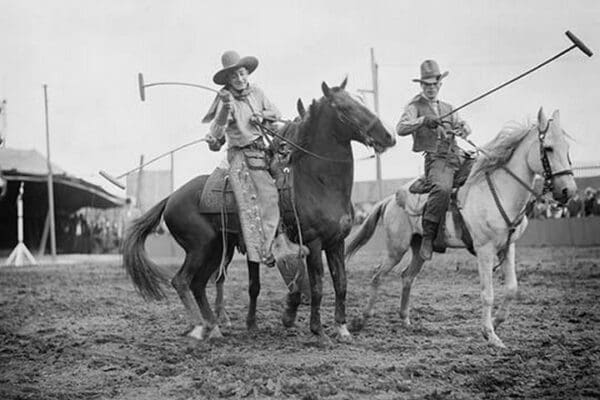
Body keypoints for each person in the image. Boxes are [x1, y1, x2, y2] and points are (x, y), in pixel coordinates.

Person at [202, 50, 281, 266]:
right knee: (268, 196)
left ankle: (286, 236)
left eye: (242, 74)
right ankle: (264, 249)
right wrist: (225, 109)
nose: (240, 79)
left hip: (263, 150)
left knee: (289, 179)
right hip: (241, 155)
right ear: (227, 80)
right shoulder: (224, 99)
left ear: (247, 73)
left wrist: (261, 116)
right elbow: (217, 132)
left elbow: (276, 113)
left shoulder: (257, 92)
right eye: (234, 76)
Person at [396, 60, 474, 260]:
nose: (431, 88)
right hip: (435, 158)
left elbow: (464, 128)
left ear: (440, 85)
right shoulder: (414, 106)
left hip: (456, 154)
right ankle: (429, 237)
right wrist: (422, 121)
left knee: (483, 171)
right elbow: (401, 128)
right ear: (421, 85)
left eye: (434, 85)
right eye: (427, 85)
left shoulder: (449, 107)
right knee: (443, 189)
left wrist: (463, 128)